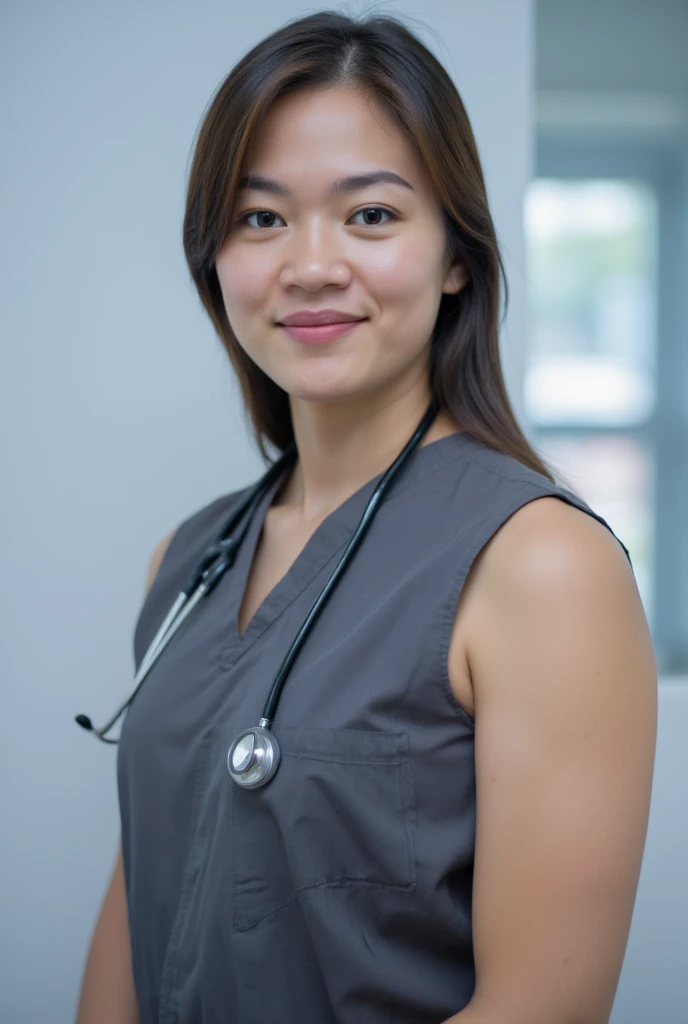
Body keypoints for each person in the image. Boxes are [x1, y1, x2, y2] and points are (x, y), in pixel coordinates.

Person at [75, 9, 657, 1024]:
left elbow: (541, 1007)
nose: (309, 264)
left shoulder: (540, 565)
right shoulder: (187, 561)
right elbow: (143, 901)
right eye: (261, 219)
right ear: (215, 259)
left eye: (371, 216)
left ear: (455, 257)